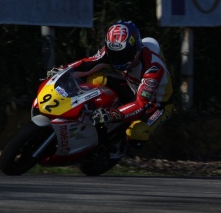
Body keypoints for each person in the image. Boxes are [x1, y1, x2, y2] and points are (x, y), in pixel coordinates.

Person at [48, 20, 173, 154]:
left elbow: (141, 104)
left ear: (136, 48)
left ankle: (118, 144)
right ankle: (83, 114)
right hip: (132, 87)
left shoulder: (153, 68)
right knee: (95, 79)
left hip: (156, 104)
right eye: (114, 54)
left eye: (124, 54)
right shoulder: (111, 51)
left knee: (137, 133)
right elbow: (89, 63)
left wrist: (113, 114)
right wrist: (64, 70)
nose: (118, 59)